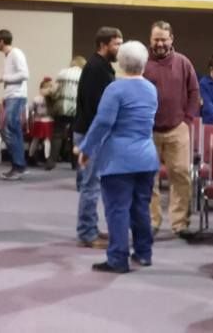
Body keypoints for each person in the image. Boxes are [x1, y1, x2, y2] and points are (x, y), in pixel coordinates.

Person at [76, 41, 159, 274]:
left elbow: (103, 123)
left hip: (118, 160)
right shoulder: (151, 89)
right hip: (146, 158)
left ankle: (117, 258)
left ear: (120, 63)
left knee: (117, 210)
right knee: (141, 207)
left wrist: (86, 149)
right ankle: (143, 253)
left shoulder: (115, 89)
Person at [144, 21, 200, 239]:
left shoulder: (183, 62)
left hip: (178, 128)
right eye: (156, 39)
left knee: (181, 175)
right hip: (148, 131)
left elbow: (194, 92)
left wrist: (187, 119)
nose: (159, 43)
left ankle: (179, 224)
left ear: (171, 39)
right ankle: (151, 221)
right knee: (149, 177)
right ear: (150, 40)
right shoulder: (143, 63)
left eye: (163, 39)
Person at [74, 27, 123, 249]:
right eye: (116, 44)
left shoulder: (102, 67)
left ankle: (91, 228)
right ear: (103, 45)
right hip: (90, 133)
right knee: (90, 185)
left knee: (93, 184)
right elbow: (97, 108)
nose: (119, 49)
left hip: (92, 132)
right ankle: (87, 233)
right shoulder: (96, 69)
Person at [0, 29, 29, 180]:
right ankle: (19, 165)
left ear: (1, 41)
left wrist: (3, 78)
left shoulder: (16, 53)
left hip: (16, 96)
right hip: (12, 96)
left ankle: (18, 166)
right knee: (13, 130)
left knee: (9, 129)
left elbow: (24, 74)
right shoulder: (8, 56)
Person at [52, 56, 85, 168]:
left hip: (61, 106)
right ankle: (75, 164)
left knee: (57, 134)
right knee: (74, 135)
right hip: (76, 108)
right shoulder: (83, 74)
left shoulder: (62, 73)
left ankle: (51, 163)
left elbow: (55, 91)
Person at [28, 77, 56, 169]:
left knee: (36, 139)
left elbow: (31, 109)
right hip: (47, 120)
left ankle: (30, 156)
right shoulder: (51, 98)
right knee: (46, 140)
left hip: (39, 120)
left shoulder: (37, 98)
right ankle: (47, 158)